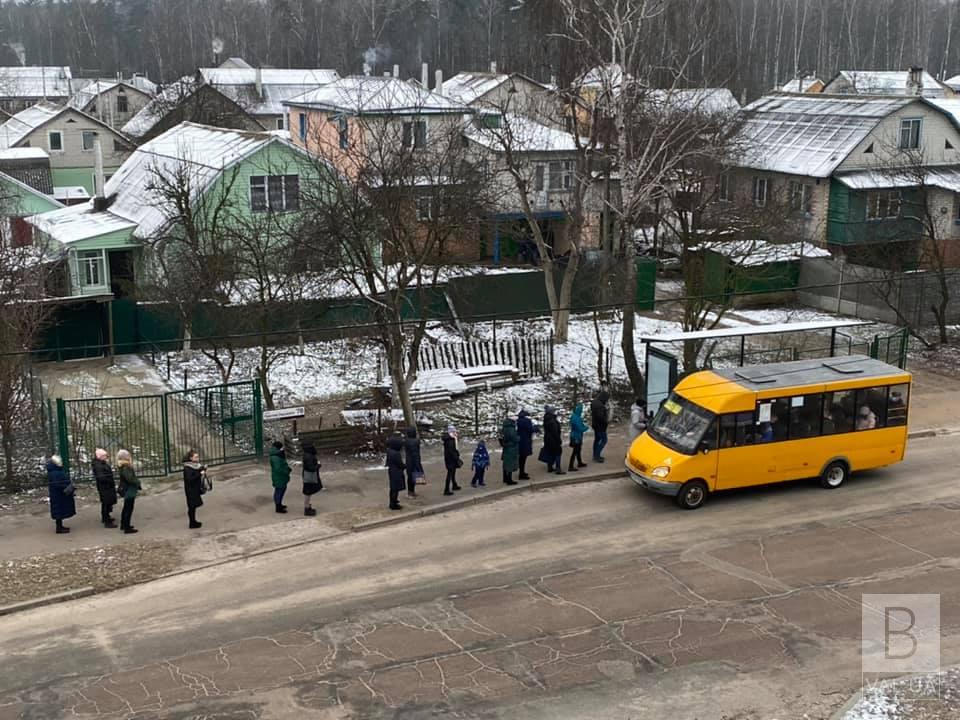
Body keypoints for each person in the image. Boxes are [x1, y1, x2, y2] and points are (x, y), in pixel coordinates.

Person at [46, 454, 75, 535]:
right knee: (59, 510)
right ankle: (59, 528)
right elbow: (58, 484)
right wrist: (67, 487)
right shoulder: (55, 473)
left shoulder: (54, 471)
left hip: (58, 494)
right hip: (59, 494)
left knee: (59, 510)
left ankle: (60, 527)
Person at [91, 448, 117, 528]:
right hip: (105, 487)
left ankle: (106, 517)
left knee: (107, 502)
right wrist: (109, 480)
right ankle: (106, 521)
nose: (106, 457)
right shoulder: (99, 465)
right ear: (100, 456)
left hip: (106, 487)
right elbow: (101, 477)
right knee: (106, 502)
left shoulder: (100, 464)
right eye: (104, 456)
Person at [117, 449, 141, 534]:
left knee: (126, 507)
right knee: (128, 508)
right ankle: (126, 527)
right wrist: (137, 482)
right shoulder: (126, 467)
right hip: (129, 489)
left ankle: (124, 524)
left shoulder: (122, 466)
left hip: (126, 488)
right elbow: (130, 478)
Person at [182, 450, 206, 529]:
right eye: (196, 457)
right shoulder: (187, 467)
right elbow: (189, 478)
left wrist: (203, 469)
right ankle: (192, 523)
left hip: (195, 488)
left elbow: (197, 470)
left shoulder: (195, 465)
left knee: (193, 506)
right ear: (191, 458)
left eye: (197, 456)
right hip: (191, 490)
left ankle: (193, 521)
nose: (197, 458)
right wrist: (200, 473)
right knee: (192, 507)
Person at [541, 406, 564, 474]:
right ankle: (558, 468)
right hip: (553, 440)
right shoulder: (552, 420)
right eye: (554, 411)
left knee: (550, 452)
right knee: (558, 453)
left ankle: (550, 467)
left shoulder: (546, 418)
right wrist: (559, 440)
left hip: (547, 439)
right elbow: (555, 432)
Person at [270, 440, 291, 513]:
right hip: (279, 477)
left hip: (279, 477)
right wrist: (286, 471)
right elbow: (278, 468)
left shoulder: (276, 455)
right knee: (279, 491)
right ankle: (278, 507)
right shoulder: (276, 457)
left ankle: (279, 504)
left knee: (280, 490)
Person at [386, 435, 406, 511]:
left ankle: (393, 501)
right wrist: (405, 466)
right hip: (396, 472)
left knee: (392, 488)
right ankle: (393, 504)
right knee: (396, 489)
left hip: (392, 471)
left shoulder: (389, 451)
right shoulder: (396, 454)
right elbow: (400, 464)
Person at [517, 410, 538, 480]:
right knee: (523, 458)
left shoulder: (518, 420)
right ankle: (521, 473)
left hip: (520, 441)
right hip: (526, 440)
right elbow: (530, 429)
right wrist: (535, 428)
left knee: (521, 458)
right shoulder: (526, 421)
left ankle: (521, 472)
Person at [301, 442, 321, 516]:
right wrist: (318, 466)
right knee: (308, 493)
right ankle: (307, 508)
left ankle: (307, 507)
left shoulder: (306, 455)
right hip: (309, 476)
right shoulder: (309, 456)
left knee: (308, 493)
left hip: (307, 476)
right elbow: (311, 468)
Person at [591, 389, 611, 462]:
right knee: (604, 440)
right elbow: (601, 417)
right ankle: (597, 456)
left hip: (595, 425)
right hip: (601, 427)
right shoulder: (600, 406)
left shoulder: (595, 402)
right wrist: (606, 421)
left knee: (597, 440)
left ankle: (595, 455)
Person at [568, 403, 589, 472]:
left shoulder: (575, 417)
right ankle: (570, 466)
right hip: (576, 437)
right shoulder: (576, 418)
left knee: (578, 450)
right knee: (575, 451)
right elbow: (580, 428)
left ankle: (579, 462)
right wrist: (586, 428)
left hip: (576, 436)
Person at [403, 428, 423, 498]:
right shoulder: (415, 441)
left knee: (410, 477)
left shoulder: (406, 441)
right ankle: (411, 492)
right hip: (414, 460)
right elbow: (416, 453)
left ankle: (410, 492)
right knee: (414, 476)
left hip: (409, 460)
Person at [442, 425, 462, 496]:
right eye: (454, 431)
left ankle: (454, 485)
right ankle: (446, 489)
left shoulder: (451, 438)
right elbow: (452, 451)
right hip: (451, 459)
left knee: (452, 473)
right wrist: (457, 458)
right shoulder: (450, 440)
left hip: (450, 458)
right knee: (450, 474)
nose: (455, 432)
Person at [500, 414, 520, 485]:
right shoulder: (511, 428)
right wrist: (518, 438)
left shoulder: (505, 427)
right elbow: (514, 438)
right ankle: (509, 480)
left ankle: (505, 478)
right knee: (510, 464)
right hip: (511, 448)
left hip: (507, 447)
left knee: (506, 463)